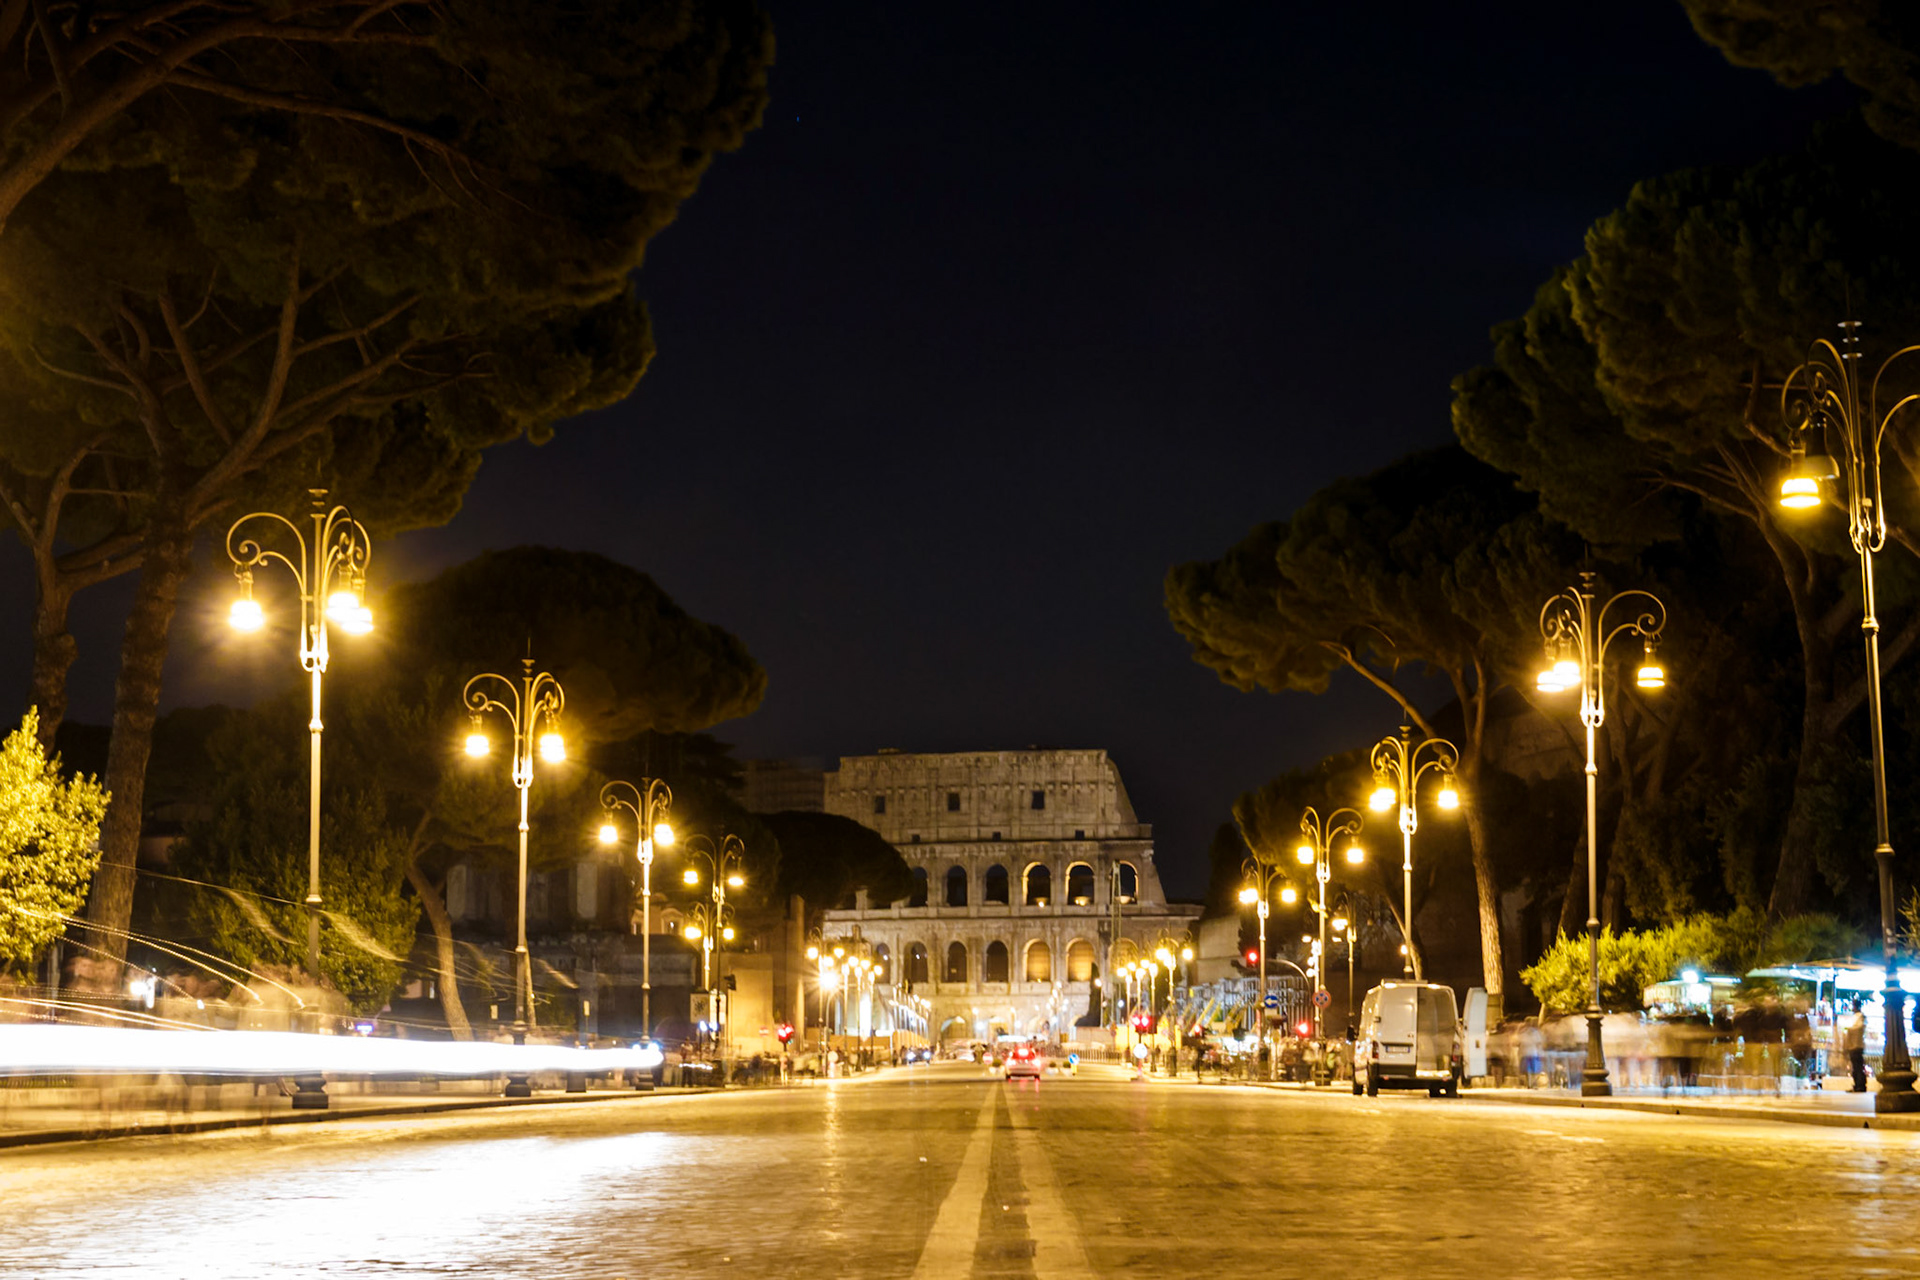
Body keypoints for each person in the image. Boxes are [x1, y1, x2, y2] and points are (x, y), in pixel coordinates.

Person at [1841, 999, 1868, 1093]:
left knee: (1857, 1066)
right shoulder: (1857, 1017)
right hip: (1853, 1045)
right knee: (1856, 1066)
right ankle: (1858, 1085)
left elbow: (1858, 1028)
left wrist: (1848, 1029)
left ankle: (1860, 1085)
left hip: (1856, 1045)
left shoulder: (1860, 1017)